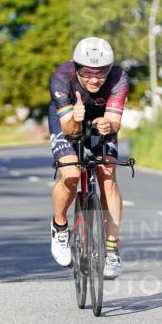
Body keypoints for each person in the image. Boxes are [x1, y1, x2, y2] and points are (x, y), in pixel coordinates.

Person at [49, 37, 128, 278]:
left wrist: (108, 125)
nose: (95, 79)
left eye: (101, 73)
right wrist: (76, 117)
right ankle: (60, 227)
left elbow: (115, 122)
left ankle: (112, 249)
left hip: (100, 119)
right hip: (67, 120)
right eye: (87, 72)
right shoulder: (62, 77)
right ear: (76, 67)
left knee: (108, 176)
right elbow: (70, 131)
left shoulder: (119, 78)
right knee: (71, 174)